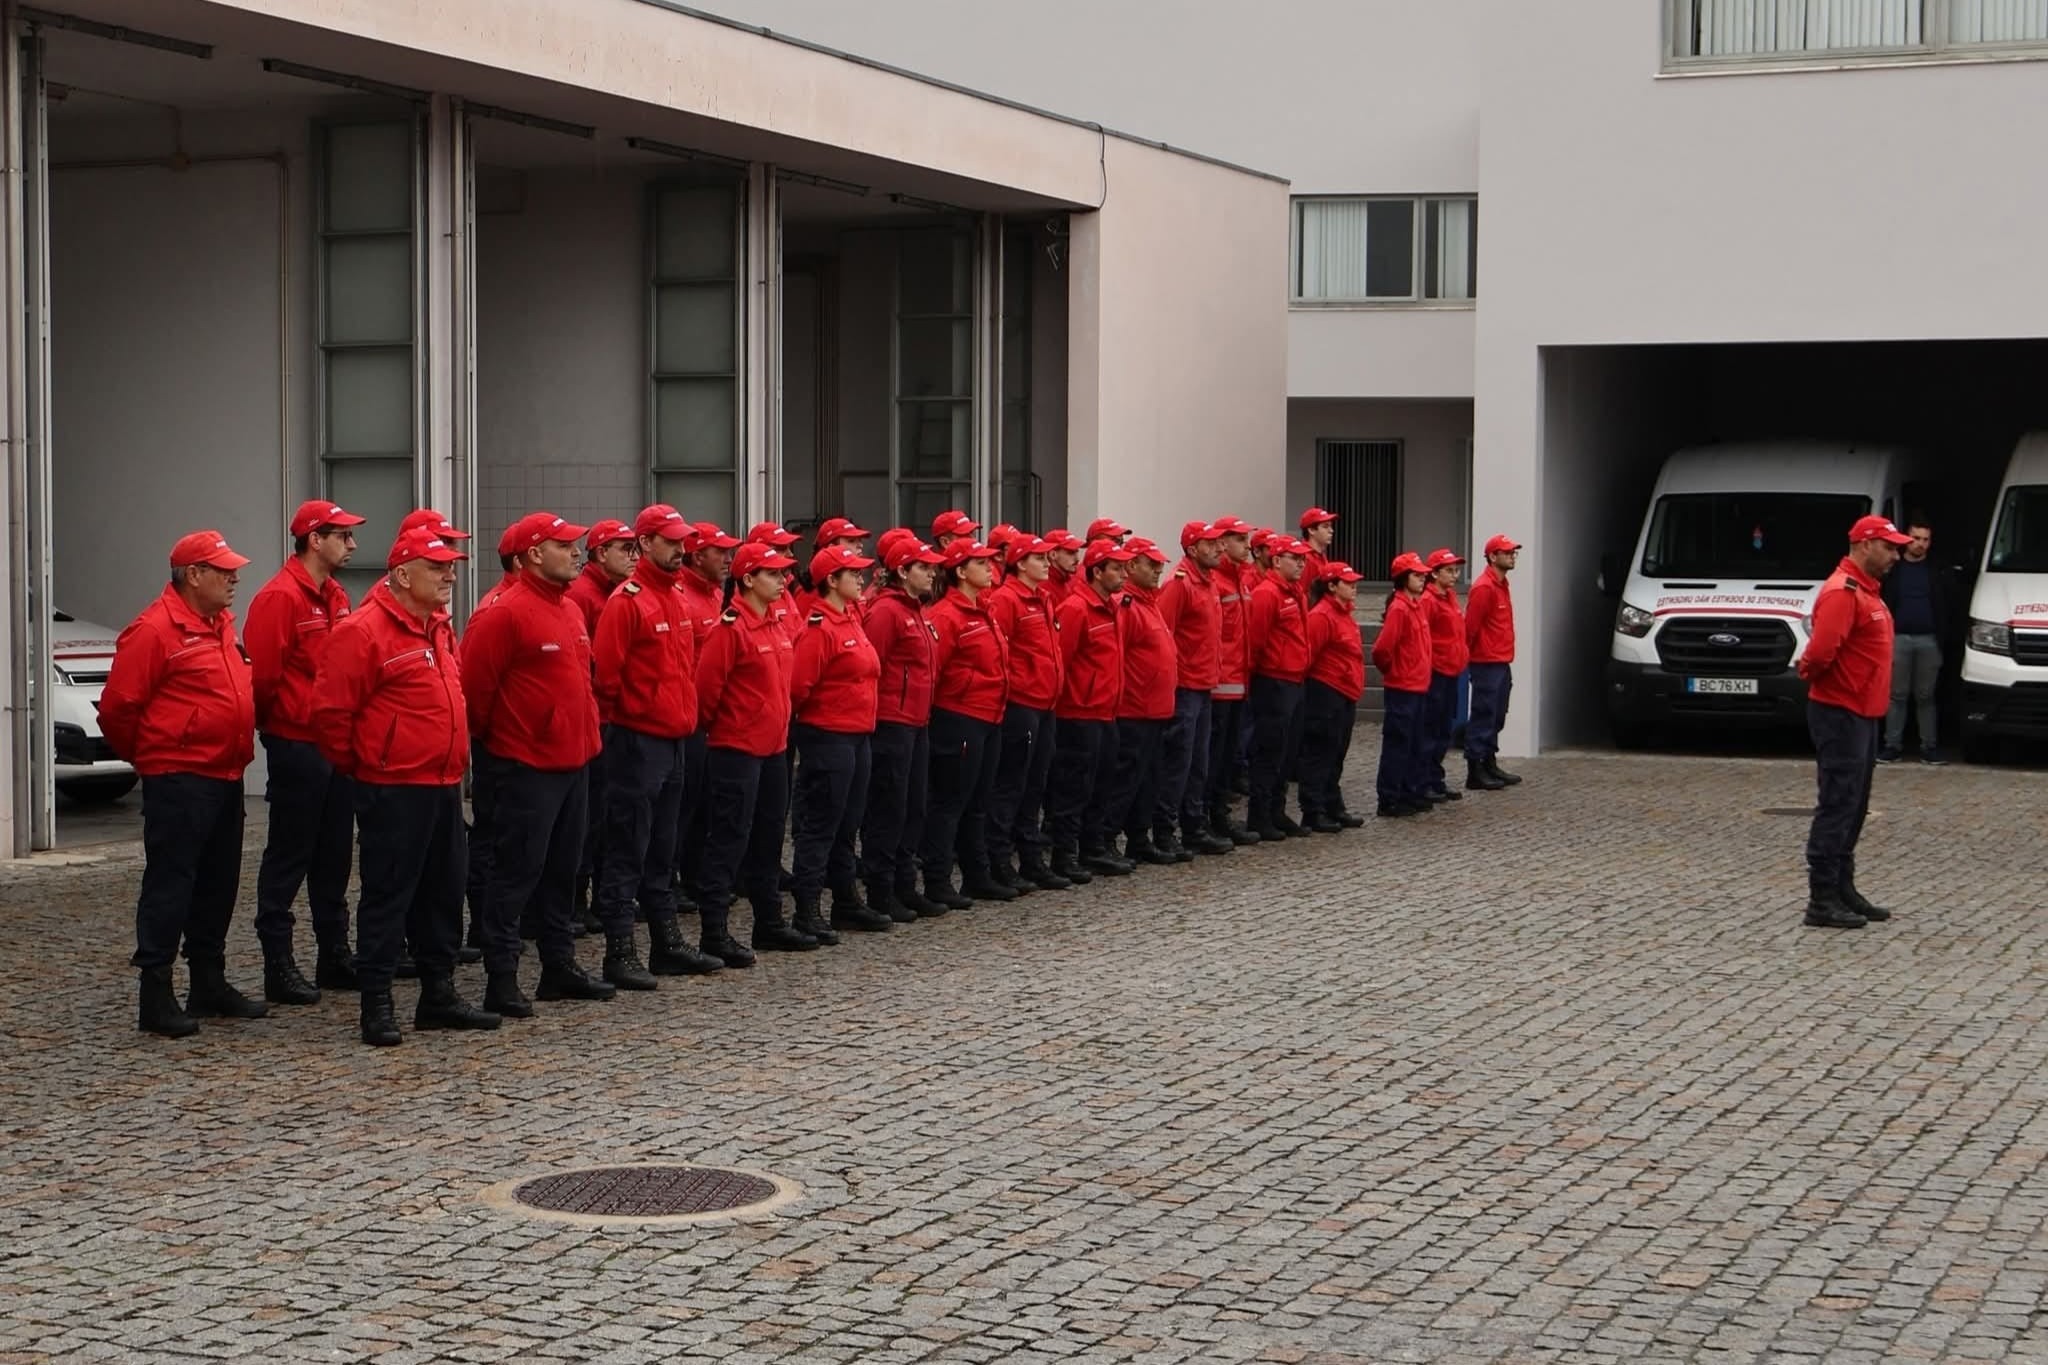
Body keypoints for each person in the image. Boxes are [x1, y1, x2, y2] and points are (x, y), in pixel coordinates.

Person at [313, 525, 498, 1045]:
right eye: (437, 567)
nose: (448, 575)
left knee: (443, 892)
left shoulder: (437, 626)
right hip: (392, 785)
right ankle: (377, 1003)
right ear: (401, 574)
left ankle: (437, 994)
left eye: (450, 567)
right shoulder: (364, 631)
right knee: (389, 894)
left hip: (440, 783)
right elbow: (330, 715)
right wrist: (371, 763)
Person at [101, 531, 262, 1037]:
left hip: (225, 772)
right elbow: (118, 710)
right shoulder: (153, 630)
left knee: (219, 882)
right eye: (223, 569)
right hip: (180, 777)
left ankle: (207, 983)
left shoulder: (219, 625)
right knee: (172, 884)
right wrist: (156, 756)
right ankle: (156, 992)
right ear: (194, 575)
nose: (234, 577)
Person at [462, 513, 616, 1015]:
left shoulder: (568, 609)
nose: (577, 552)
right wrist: (512, 745)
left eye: (576, 544)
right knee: (516, 873)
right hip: (524, 766)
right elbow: (476, 696)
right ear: (531, 554)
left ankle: (558, 966)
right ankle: (501, 976)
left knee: (563, 871)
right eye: (564, 545)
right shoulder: (501, 613)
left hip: (574, 762)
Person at [591, 505, 725, 983]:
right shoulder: (628, 601)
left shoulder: (676, 598)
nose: (681, 549)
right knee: (628, 846)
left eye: (683, 541)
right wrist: (635, 720)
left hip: (674, 740)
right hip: (637, 742)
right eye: (671, 541)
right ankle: (619, 950)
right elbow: (606, 678)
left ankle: (666, 944)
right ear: (645, 544)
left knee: (664, 848)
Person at [242, 499, 366, 1006]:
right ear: (315, 539)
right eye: (343, 535)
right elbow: (265, 679)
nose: (353, 544)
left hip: (334, 743)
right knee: (291, 853)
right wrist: (285, 725)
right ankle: (278, 961)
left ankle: (333, 954)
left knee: (335, 854)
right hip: (298, 742)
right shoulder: (279, 598)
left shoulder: (335, 594)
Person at [694, 541, 810, 959]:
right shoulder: (730, 628)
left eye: (783, 573)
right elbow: (706, 693)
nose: (783, 580)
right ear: (748, 580)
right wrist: (732, 728)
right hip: (736, 750)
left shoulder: (774, 624)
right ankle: (713, 931)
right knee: (728, 839)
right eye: (773, 574)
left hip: (773, 749)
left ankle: (769, 922)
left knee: (767, 839)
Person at [1798, 515, 1912, 929]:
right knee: (1838, 803)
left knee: (1855, 805)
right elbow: (1820, 653)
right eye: (1889, 547)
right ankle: (1822, 898)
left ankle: (1843, 888)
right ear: (1865, 545)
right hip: (1840, 711)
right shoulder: (1844, 593)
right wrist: (1809, 671)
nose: (1896, 555)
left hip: (1862, 712)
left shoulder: (1866, 591)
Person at [790, 544, 890, 938]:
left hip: (856, 735)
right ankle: (807, 908)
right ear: (831, 580)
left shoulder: (849, 618)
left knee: (848, 823)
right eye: (853, 573)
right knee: (821, 824)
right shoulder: (819, 627)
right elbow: (798, 687)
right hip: (828, 735)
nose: (861, 578)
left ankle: (845, 902)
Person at [921, 539, 1013, 906]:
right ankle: (937, 879)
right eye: (981, 563)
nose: (991, 568)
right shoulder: (946, 615)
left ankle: (977, 876)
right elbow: (934, 671)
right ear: (960, 571)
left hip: (990, 715)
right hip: (958, 717)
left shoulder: (984, 609)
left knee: (978, 800)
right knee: (949, 802)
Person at [861, 538, 944, 920]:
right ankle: (881, 888)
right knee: (889, 808)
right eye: (923, 568)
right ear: (902, 572)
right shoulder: (887, 613)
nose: (931, 573)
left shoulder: (917, 610)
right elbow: (871, 667)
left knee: (913, 806)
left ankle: (905, 884)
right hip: (892, 722)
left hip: (917, 720)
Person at [1047, 538, 1136, 881]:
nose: (1123, 574)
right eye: (1116, 568)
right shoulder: (1076, 608)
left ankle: (1092, 847)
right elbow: (1062, 659)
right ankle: (1065, 853)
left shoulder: (1110, 606)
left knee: (1102, 784)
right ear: (1097, 572)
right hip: (1079, 713)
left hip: (1106, 711)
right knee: (1074, 787)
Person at [985, 535, 1069, 892]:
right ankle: (1000, 860)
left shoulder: (1043, 598)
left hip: (1045, 703)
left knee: (1036, 784)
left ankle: (1030, 857)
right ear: (1020, 563)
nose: (1047, 563)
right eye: (1039, 558)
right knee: (1012, 785)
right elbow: (999, 650)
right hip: (1022, 703)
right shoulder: (1007, 599)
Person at [567, 517, 636, 935]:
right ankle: (574, 898)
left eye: (634, 549)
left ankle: (589, 893)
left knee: (605, 815)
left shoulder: (616, 593)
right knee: (588, 818)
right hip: (599, 720)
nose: (632, 557)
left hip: (610, 721)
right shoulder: (584, 595)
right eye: (623, 549)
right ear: (599, 553)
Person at [673, 520, 741, 904]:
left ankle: (696, 875)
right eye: (721, 551)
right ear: (697, 556)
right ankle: (672, 878)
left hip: (711, 719)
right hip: (689, 717)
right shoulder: (683, 594)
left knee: (704, 804)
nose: (728, 558)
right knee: (683, 805)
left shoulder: (715, 595)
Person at [1106, 537, 1182, 864]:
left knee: (1149, 779)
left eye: (1159, 565)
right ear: (1131, 565)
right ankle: (1107, 840)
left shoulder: (1149, 602)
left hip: (1156, 708)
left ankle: (1140, 836)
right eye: (1150, 565)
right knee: (1125, 780)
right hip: (1134, 708)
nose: (1157, 570)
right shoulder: (1127, 606)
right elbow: (1116, 656)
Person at [1158, 521, 1229, 857]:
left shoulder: (1209, 583)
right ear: (1191, 549)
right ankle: (1165, 829)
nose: (1219, 548)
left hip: (1204, 685)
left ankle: (1193, 826)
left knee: (1198, 762)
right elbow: (1164, 633)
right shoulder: (1179, 584)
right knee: (1179, 763)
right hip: (1185, 687)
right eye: (1210, 543)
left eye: (1218, 543)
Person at [1878, 516, 1960, 764]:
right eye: (1916, 538)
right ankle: (1892, 745)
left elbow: (1950, 606)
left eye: (1925, 539)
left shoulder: (1938, 571)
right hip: (1898, 638)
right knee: (1897, 695)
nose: (1920, 544)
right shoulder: (1892, 571)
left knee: (1926, 696)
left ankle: (1929, 747)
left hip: (1929, 640)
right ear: (1906, 538)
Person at [1245, 537, 1311, 841]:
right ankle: (1259, 815)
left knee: (1287, 750)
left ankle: (1277, 809)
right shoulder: (1267, 594)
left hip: (1295, 679)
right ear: (1275, 561)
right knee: (1269, 749)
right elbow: (1255, 641)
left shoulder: (1295, 591)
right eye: (1293, 558)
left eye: (1302, 559)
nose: (1300, 564)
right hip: (1274, 680)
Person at [1300, 563, 1367, 832]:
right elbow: (1309, 654)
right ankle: (1313, 810)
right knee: (1320, 752)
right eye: (1347, 583)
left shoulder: (1343, 614)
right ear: (1331, 586)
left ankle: (1331, 804)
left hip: (1344, 692)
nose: (1354, 587)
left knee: (1336, 752)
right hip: (1325, 691)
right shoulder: (1322, 616)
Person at [1206, 515, 1258, 846]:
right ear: (1223, 543)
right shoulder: (1218, 582)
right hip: (1218, 686)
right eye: (1240, 539)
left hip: (1239, 682)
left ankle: (1219, 814)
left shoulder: (1241, 580)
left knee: (1228, 758)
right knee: (1214, 757)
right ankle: (1208, 817)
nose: (1247, 545)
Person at [1372, 553, 1436, 819]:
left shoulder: (1415, 605)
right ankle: (1390, 796)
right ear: (1403, 578)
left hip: (1417, 685)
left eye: (1423, 575)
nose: (1422, 579)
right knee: (1398, 744)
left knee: (1414, 743)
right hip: (1403, 687)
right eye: (1417, 575)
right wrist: (1397, 672)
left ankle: (1409, 791)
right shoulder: (1399, 609)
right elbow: (1382, 650)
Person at [1464, 534, 1523, 792]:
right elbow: (1471, 628)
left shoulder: (1501, 584)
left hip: (1500, 660)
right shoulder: (1484, 588)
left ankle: (1488, 761)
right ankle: (1475, 768)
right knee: (1484, 714)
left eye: (1513, 552)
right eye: (1507, 552)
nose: (1512, 556)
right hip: (1486, 662)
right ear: (1492, 556)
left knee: (1497, 713)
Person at [1420, 548, 1469, 805]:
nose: (1454, 575)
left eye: (1456, 570)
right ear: (1435, 573)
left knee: (1443, 730)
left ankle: (1435, 778)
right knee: (1431, 729)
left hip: (1452, 670)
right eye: (1449, 570)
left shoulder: (1449, 596)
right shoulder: (1428, 600)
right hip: (1436, 673)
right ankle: (1425, 779)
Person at [1043, 529, 1083, 606]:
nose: (1077, 559)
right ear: (1053, 555)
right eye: (1071, 553)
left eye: (1076, 552)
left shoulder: (1065, 582)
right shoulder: (1044, 588)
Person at [1299, 507, 1338, 583]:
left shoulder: (1320, 555)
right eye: (1325, 526)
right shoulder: (1305, 558)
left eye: (1331, 526)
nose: (1331, 531)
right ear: (1311, 530)